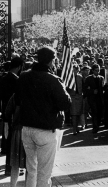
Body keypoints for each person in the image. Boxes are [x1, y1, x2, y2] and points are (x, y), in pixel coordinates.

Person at [16, 46, 71, 187]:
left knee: (31, 170)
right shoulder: (52, 79)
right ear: (51, 61)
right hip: (45, 130)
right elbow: (65, 103)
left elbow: (17, 99)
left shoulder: (23, 76)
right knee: (44, 173)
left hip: (27, 128)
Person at [0, 56, 23, 175]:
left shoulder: (1, 78)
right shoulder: (17, 80)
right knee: (13, 141)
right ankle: (11, 167)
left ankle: (8, 167)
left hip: (5, 112)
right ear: (19, 66)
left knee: (7, 139)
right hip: (14, 114)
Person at [84, 64, 104, 133]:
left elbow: (102, 88)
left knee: (99, 113)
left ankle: (97, 125)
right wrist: (92, 91)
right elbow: (85, 89)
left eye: (98, 71)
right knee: (94, 112)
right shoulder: (88, 78)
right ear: (93, 71)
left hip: (99, 99)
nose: (97, 72)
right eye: (96, 71)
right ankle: (95, 127)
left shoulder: (101, 78)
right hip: (92, 99)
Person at [68, 64, 84, 135]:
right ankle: (74, 129)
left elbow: (83, 86)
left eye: (75, 70)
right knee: (74, 114)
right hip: (72, 96)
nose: (74, 71)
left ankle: (77, 127)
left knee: (78, 113)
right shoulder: (69, 78)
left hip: (79, 96)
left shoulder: (80, 77)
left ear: (78, 70)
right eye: (73, 70)